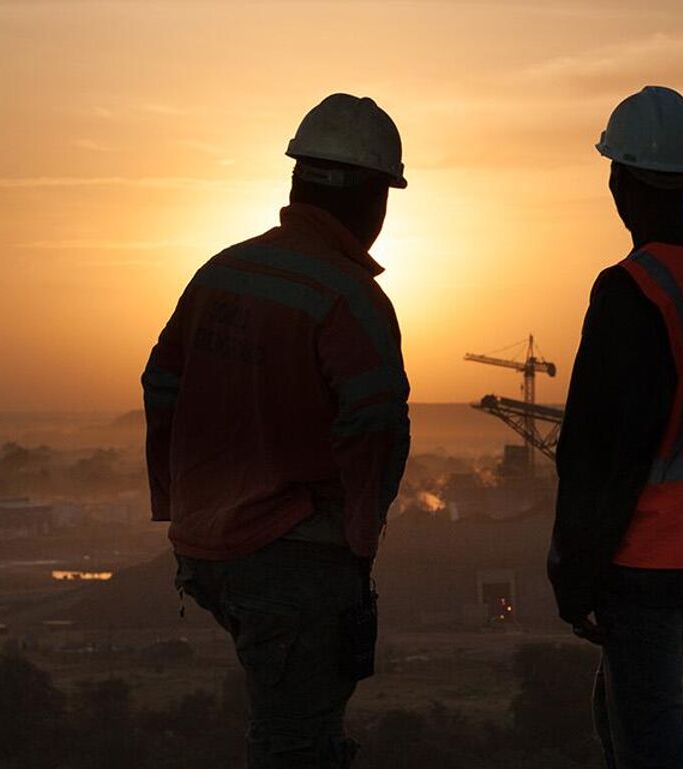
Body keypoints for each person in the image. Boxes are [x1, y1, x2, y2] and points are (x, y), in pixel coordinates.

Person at [142, 93, 410, 769]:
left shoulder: (221, 272)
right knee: (297, 744)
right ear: (375, 197)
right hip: (294, 560)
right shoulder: (351, 299)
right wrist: (360, 535)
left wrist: (179, 500)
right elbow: (375, 425)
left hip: (208, 551)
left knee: (285, 724)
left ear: (298, 181)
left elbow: (161, 383)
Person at [549, 85, 683, 769]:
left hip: (644, 558)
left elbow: (596, 449)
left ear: (617, 178)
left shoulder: (630, 289)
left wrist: (574, 569)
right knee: (621, 723)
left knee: (646, 743)